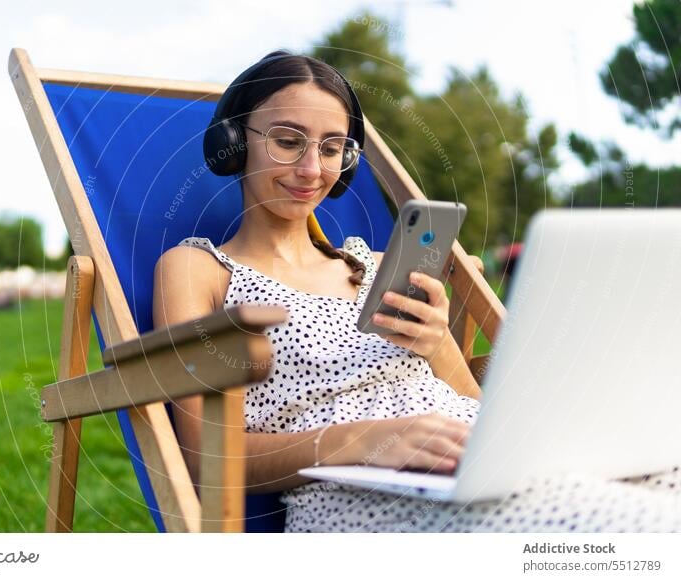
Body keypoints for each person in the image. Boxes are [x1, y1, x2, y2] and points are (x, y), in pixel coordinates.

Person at [153, 51, 681, 532]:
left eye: (332, 148)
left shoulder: (382, 266)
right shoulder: (199, 269)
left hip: (481, 459)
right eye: (288, 141)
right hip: (357, 502)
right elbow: (205, 456)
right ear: (233, 144)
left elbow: (471, 403)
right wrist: (367, 442)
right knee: (646, 525)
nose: (312, 169)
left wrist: (436, 345)